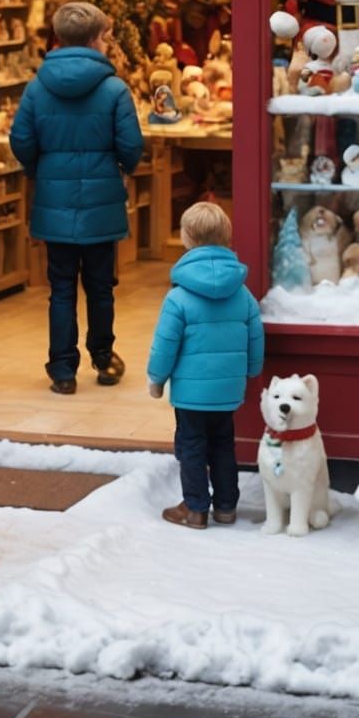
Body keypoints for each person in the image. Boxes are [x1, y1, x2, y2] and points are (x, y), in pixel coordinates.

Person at [10, 0, 143, 395]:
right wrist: (120, 168)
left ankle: (62, 370)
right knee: (101, 285)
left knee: (61, 287)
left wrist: (42, 171)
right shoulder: (114, 89)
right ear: (95, 40)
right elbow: (131, 145)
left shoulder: (37, 87)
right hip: (102, 202)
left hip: (54, 199)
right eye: (106, 36)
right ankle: (104, 358)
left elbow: (21, 139)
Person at [146, 202, 265, 530]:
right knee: (224, 443)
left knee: (192, 445)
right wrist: (252, 370)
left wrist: (156, 378)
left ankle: (195, 508)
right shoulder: (242, 294)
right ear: (227, 237)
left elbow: (164, 345)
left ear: (186, 239)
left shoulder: (179, 298)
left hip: (190, 392)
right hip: (227, 390)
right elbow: (255, 337)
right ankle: (226, 506)